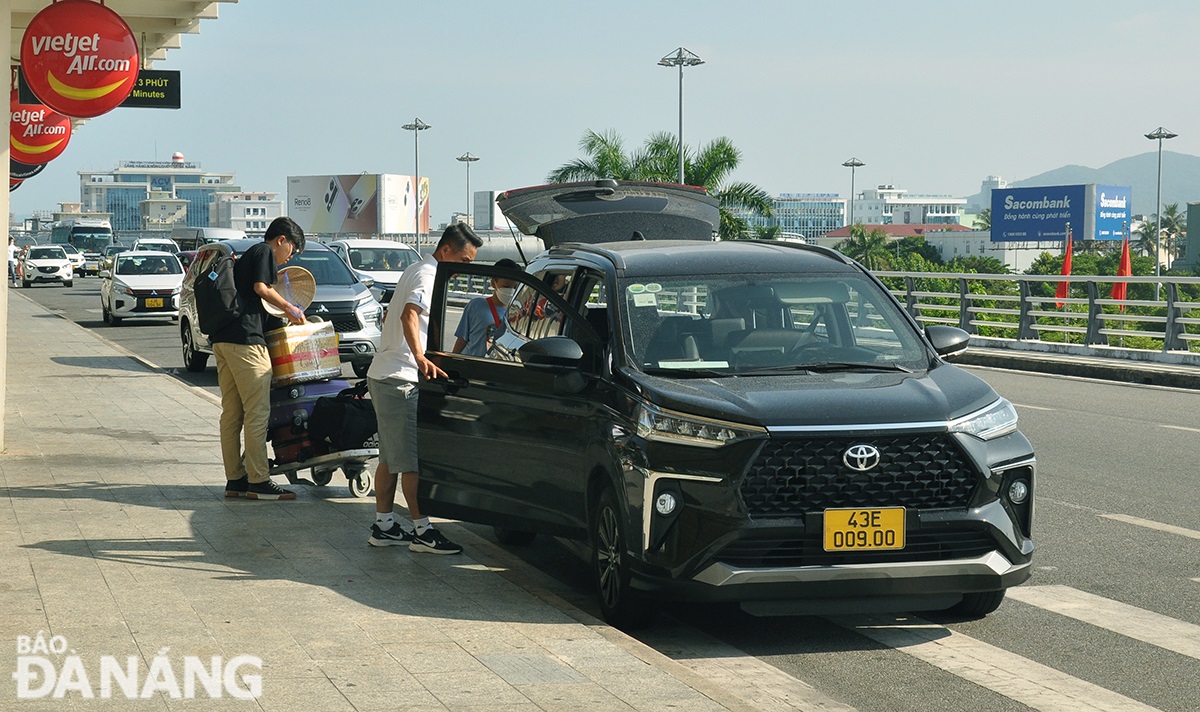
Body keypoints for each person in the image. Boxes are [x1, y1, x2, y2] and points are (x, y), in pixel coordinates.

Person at [367, 223, 482, 553]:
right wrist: (419, 358)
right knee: (412, 461)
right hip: (400, 379)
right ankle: (422, 532)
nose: (464, 269)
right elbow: (407, 315)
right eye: (463, 261)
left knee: (390, 458)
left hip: (385, 374)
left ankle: (385, 525)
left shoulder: (416, 268)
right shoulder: (429, 275)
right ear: (445, 251)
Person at [214, 217, 308, 500]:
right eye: (290, 251)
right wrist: (291, 307)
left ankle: (236, 479)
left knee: (231, 414)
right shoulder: (265, 251)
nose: (287, 258)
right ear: (281, 240)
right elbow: (262, 289)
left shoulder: (248, 255)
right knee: (257, 413)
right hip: (245, 343)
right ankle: (258, 480)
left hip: (223, 340)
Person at [452, 258, 521, 357]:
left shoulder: (519, 312)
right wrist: (452, 359)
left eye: (515, 287)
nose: (511, 291)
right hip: (470, 364)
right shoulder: (476, 306)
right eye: (506, 286)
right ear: (494, 283)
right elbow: (462, 340)